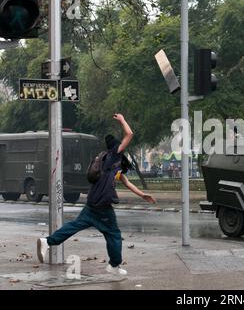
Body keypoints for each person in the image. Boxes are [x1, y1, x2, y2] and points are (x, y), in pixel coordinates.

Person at [37, 114, 156, 276]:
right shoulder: (114, 156)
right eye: (122, 147)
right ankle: (114, 265)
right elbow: (130, 134)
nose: (124, 149)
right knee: (113, 233)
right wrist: (122, 120)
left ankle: (48, 241)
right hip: (102, 206)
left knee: (75, 226)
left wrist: (143, 195)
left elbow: (127, 183)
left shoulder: (110, 163)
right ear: (117, 148)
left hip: (92, 203)